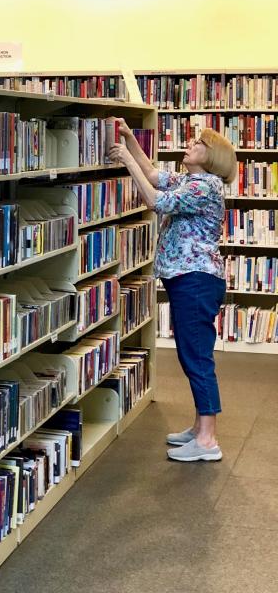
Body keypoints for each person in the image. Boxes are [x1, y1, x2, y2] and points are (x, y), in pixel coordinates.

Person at [109, 121, 237, 462]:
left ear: (212, 157)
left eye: (198, 143)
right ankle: (199, 428)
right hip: (188, 279)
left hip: (197, 280)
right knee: (191, 352)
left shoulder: (205, 187)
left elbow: (155, 200)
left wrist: (125, 159)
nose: (190, 144)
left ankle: (208, 440)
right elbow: (153, 176)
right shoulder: (191, 181)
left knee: (196, 355)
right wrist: (132, 141)